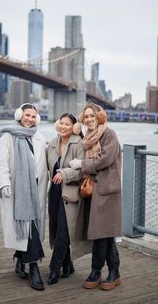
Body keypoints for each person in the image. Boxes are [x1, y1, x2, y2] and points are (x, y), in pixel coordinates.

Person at [0, 103, 48, 291]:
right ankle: (33, 268)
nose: (30, 119)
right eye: (27, 115)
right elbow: (1, 164)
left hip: (35, 191)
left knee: (29, 228)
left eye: (33, 116)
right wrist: (4, 184)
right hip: (17, 190)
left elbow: (46, 161)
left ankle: (19, 260)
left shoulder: (38, 137)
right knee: (28, 227)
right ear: (19, 115)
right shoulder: (7, 136)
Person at [69, 103, 122, 291]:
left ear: (99, 117)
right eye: (86, 117)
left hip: (107, 191)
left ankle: (96, 270)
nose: (89, 120)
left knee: (102, 233)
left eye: (92, 116)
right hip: (93, 190)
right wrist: (76, 126)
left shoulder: (109, 134)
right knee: (105, 234)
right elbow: (76, 135)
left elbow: (105, 159)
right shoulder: (89, 137)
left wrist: (81, 164)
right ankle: (113, 272)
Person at [46, 113, 91, 285]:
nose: (63, 126)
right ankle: (68, 264)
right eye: (61, 123)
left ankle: (54, 269)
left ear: (74, 127)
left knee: (64, 231)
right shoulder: (52, 143)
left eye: (67, 124)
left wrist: (64, 174)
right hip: (55, 192)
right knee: (56, 229)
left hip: (71, 194)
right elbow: (44, 165)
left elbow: (82, 169)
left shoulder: (78, 144)